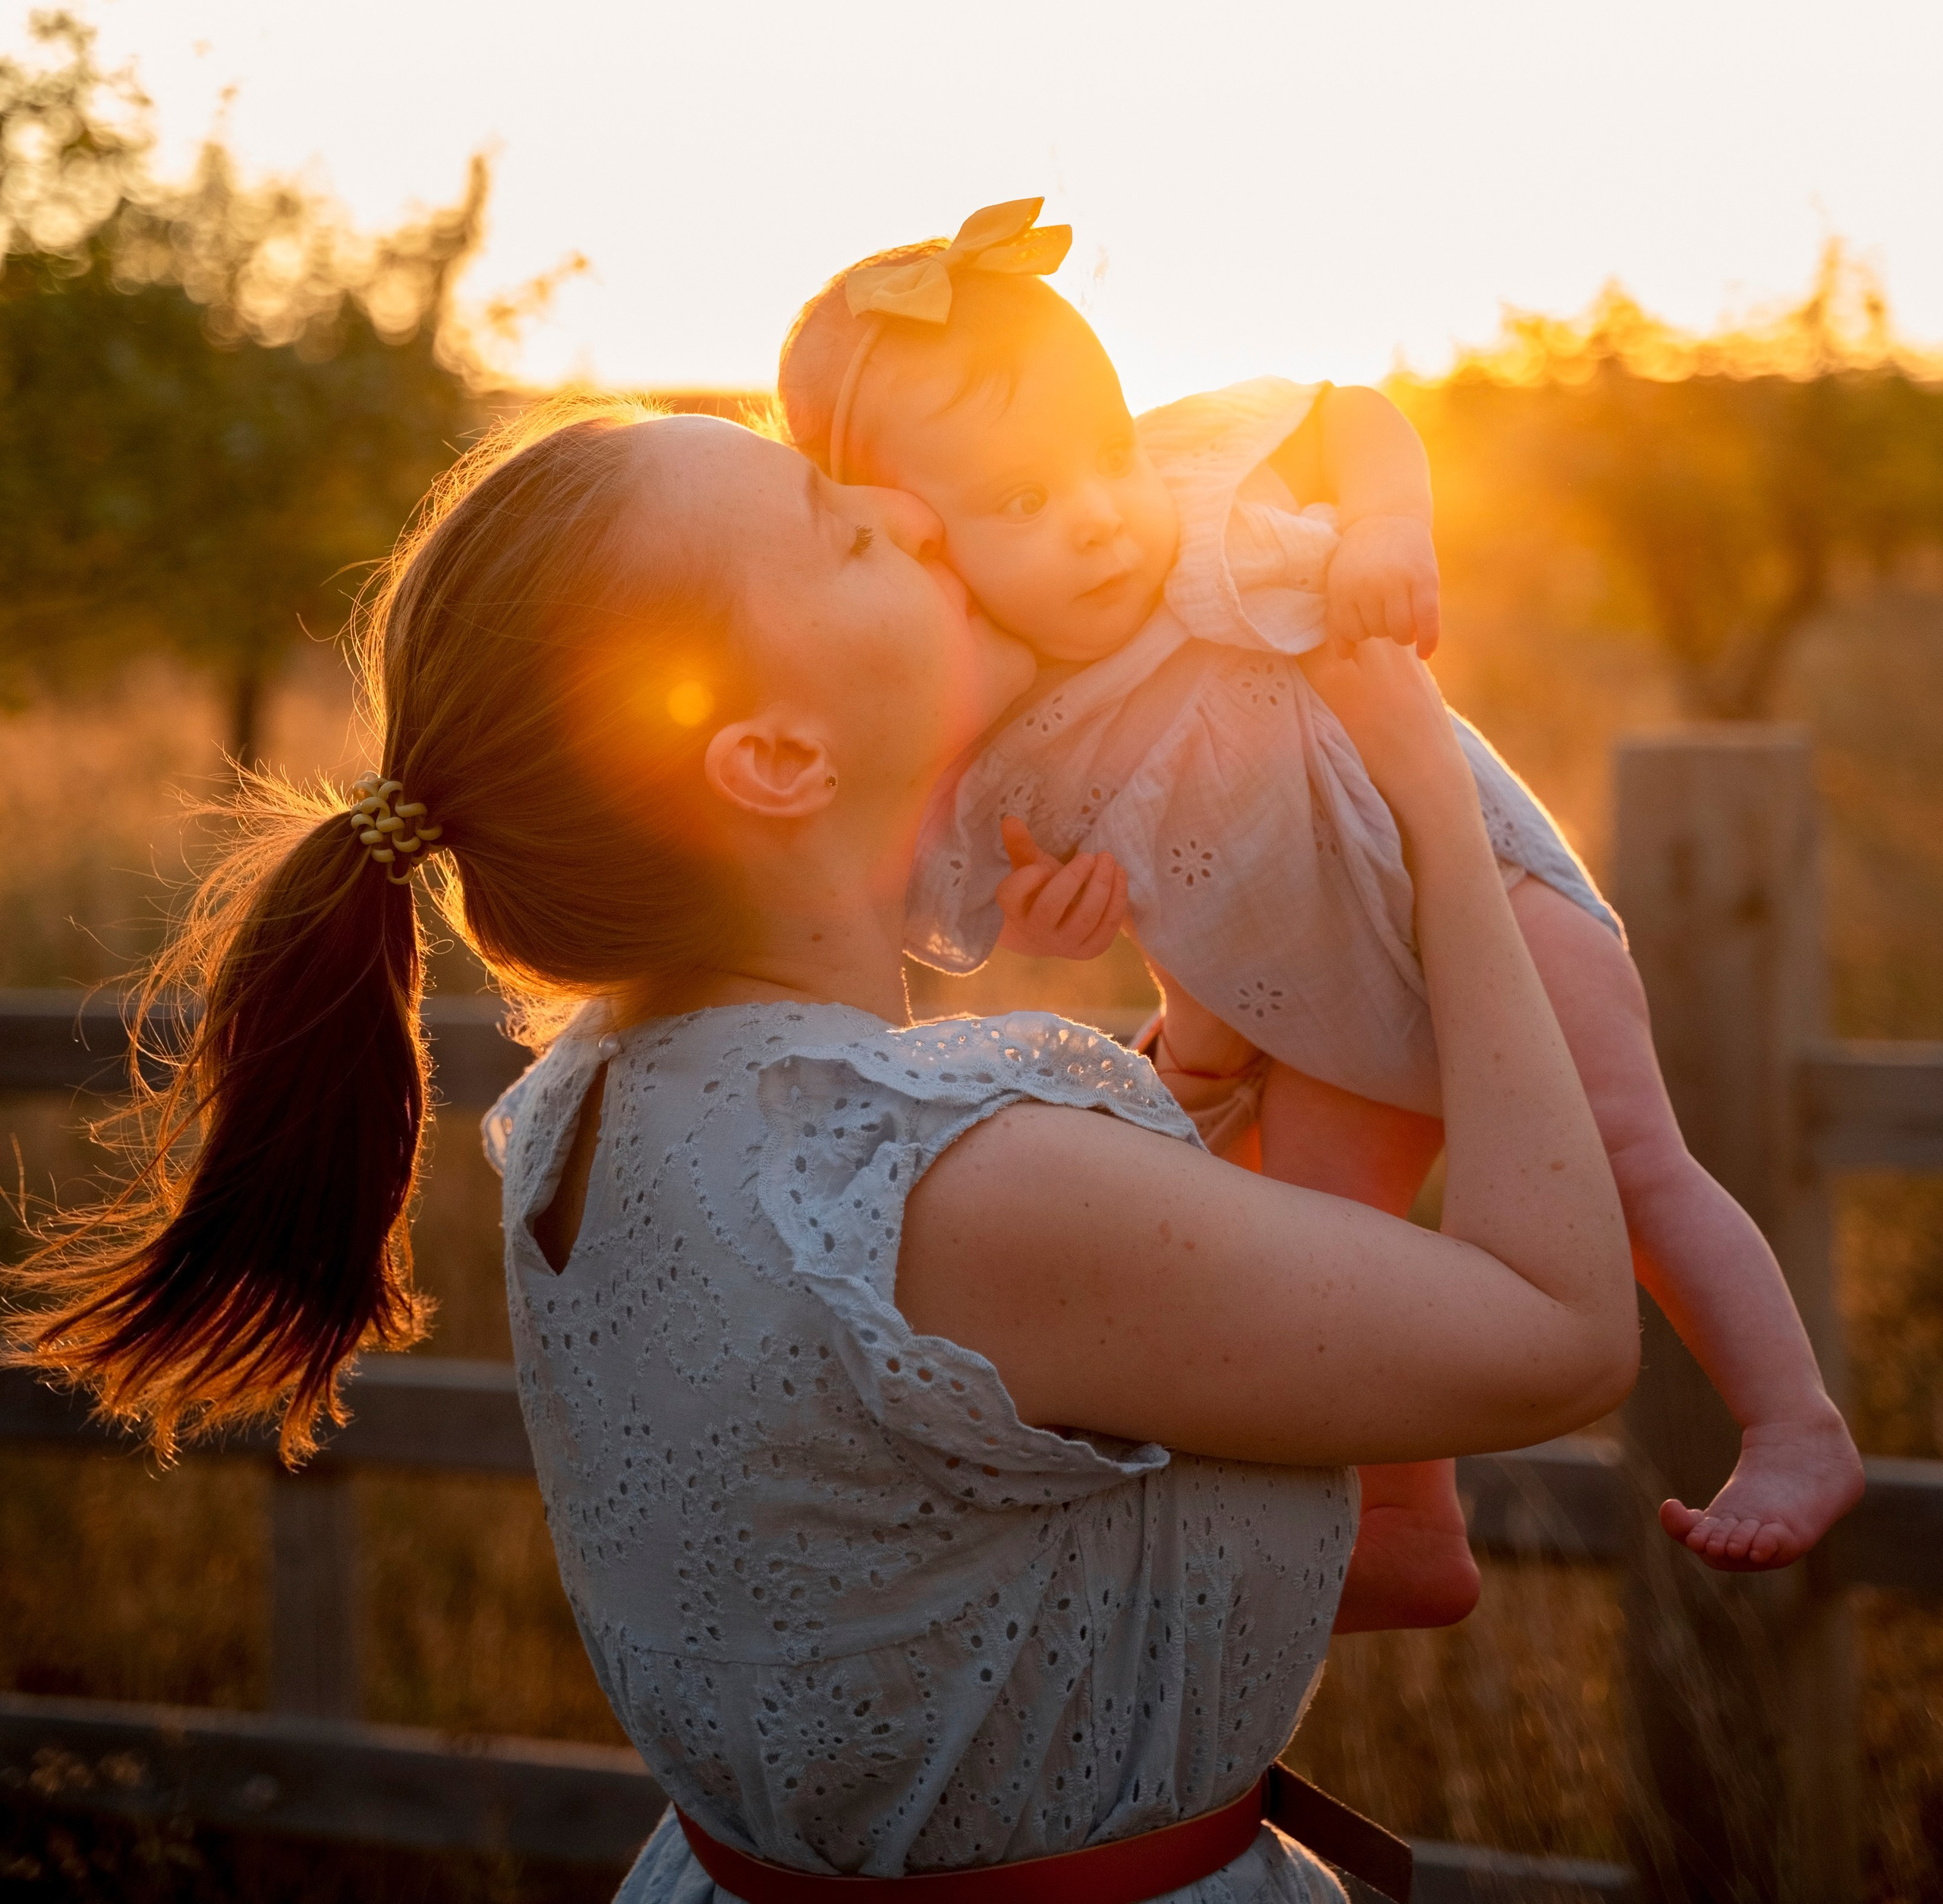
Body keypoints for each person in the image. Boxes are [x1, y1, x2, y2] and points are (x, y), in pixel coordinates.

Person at [11, 391, 1635, 1902]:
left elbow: (940, 1540)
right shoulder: (943, 1184)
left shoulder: (598, 1103)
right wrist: (1428, 810)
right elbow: (1559, 1333)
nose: (916, 511)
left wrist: (1189, 1073)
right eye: (848, 531)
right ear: (776, 760)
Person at [776, 200, 1863, 1626]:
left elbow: (1354, 417)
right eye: (1023, 505)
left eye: (1100, 454)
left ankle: (1793, 1422)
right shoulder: (998, 720)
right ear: (925, 538)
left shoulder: (1209, 522)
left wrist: (1387, 530)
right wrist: (1046, 915)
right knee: (1339, 1271)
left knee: (1627, 1159)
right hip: (1313, 1019)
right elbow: (931, 891)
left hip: (1479, 895)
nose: (1099, 513)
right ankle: (1412, 1520)